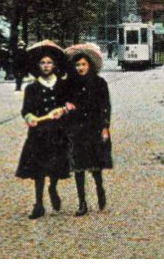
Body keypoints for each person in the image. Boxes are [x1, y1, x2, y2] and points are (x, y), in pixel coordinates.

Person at [16, 44, 71, 218]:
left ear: (54, 65)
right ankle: (38, 204)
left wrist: (63, 110)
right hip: (39, 134)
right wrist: (30, 117)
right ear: (38, 66)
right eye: (43, 63)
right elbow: (26, 110)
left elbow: (70, 103)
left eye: (49, 62)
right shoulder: (31, 88)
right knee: (38, 170)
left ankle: (53, 188)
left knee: (55, 167)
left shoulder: (62, 85)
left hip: (57, 132)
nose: (46, 65)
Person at [62, 48, 112, 214]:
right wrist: (66, 106)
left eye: (83, 64)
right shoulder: (69, 84)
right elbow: (61, 102)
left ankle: (99, 189)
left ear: (89, 65)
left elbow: (105, 106)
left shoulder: (99, 83)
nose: (80, 68)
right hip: (76, 128)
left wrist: (105, 126)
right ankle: (82, 202)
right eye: (77, 65)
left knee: (95, 164)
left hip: (94, 127)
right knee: (78, 166)